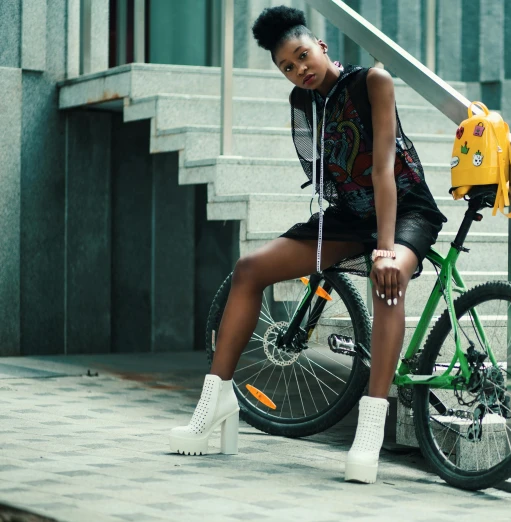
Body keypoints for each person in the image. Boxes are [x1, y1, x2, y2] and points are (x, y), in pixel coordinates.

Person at [169, 5, 447, 484]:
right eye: (288, 68)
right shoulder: (304, 102)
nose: (300, 70)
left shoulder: (372, 82)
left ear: (320, 45)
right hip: (348, 215)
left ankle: (371, 426)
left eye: (302, 56)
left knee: (389, 281)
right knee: (250, 268)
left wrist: (384, 248)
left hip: (405, 209)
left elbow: (382, 168)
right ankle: (215, 403)